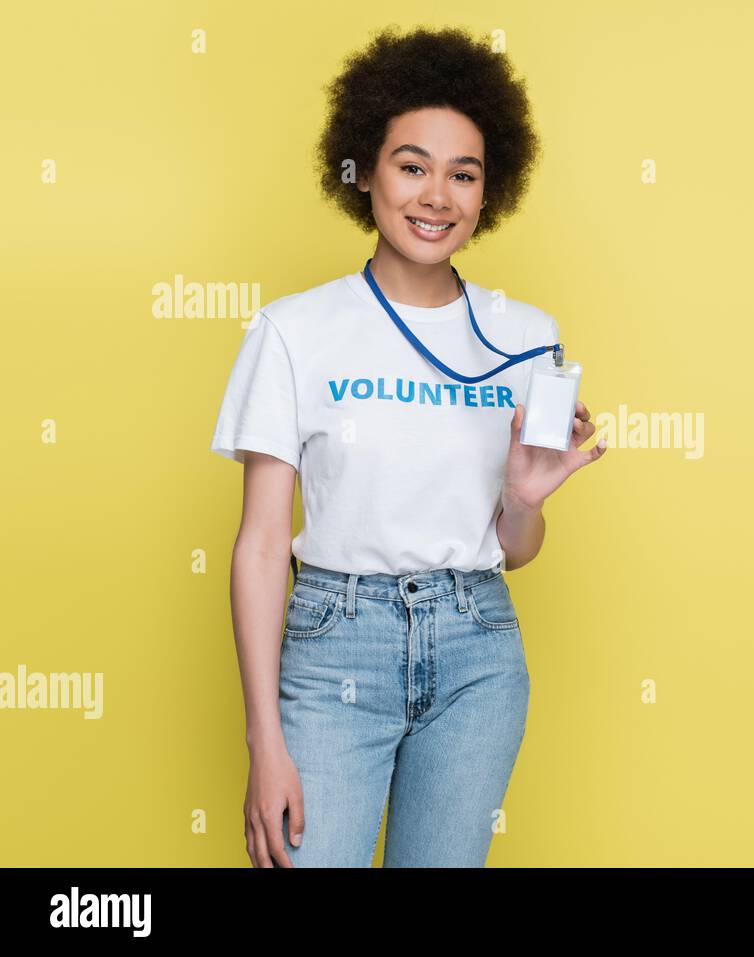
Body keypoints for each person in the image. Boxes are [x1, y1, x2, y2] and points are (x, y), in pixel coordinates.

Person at [209, 25, 606, 867]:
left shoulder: (528, 340)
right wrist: (263, 742)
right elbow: (258, 544)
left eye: (463, 174)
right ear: (365, 169)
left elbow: (518, 550)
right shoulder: (293, 331)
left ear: (488, 191)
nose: (437, 196)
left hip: (477, 652)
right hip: (333, 649)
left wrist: (527, 501)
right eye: (412, 164)